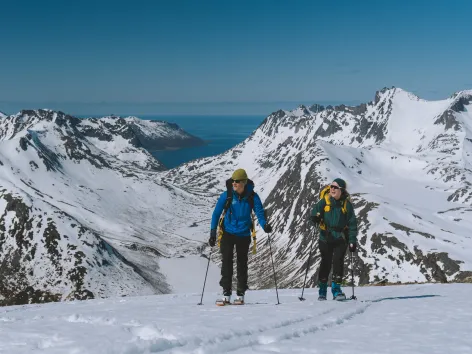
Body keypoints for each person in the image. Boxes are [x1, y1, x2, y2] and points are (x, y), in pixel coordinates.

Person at [209, 168, 272, 305]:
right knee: (226, 261)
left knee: (242, 263)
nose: (234, 183)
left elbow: (260, 213)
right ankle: (226, 293)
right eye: (233, 181)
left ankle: (240, 294)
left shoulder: (252, 197)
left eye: (237, 181)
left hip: (243, 234)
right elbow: (216, 213)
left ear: (243, 182)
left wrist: (265, 225)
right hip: (228, 233)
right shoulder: (227, 196)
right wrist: (213, 232)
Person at [310, 178, 358, 301]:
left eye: (335, 187)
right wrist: (314, 218)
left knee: (338, 262)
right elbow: (314, 212)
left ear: (341, 190)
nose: (332, 189)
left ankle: (336, 290)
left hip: (341, 238)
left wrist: (352, 240)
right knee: (325, 262)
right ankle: (322, 291)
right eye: (331, 186)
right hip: (325, 237)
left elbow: (352, 224)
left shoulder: (346, 205)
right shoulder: (324, 201)